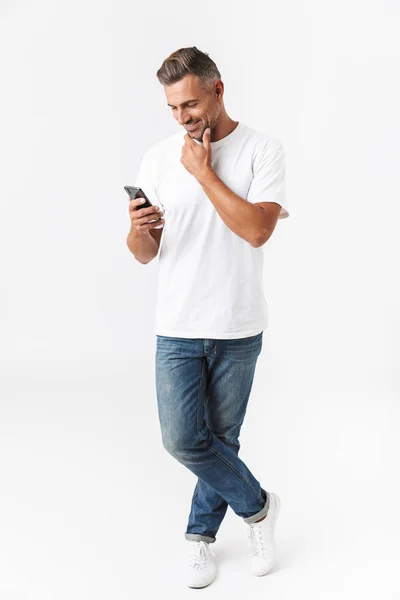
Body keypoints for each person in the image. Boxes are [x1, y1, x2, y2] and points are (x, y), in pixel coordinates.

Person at [126, 46, 289, 588]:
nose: (182, 118)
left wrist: (203, 175)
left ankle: (199, 538)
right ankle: (259, 507)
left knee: (222, 437)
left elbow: (257, 229)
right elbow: (144, 254)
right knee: (183, 440)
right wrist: (140, 228)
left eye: (190, 105)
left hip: (238, 325)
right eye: (173, 108)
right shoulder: (157, 157)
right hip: (176, 323)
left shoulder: (261, 150)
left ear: (219, 91)